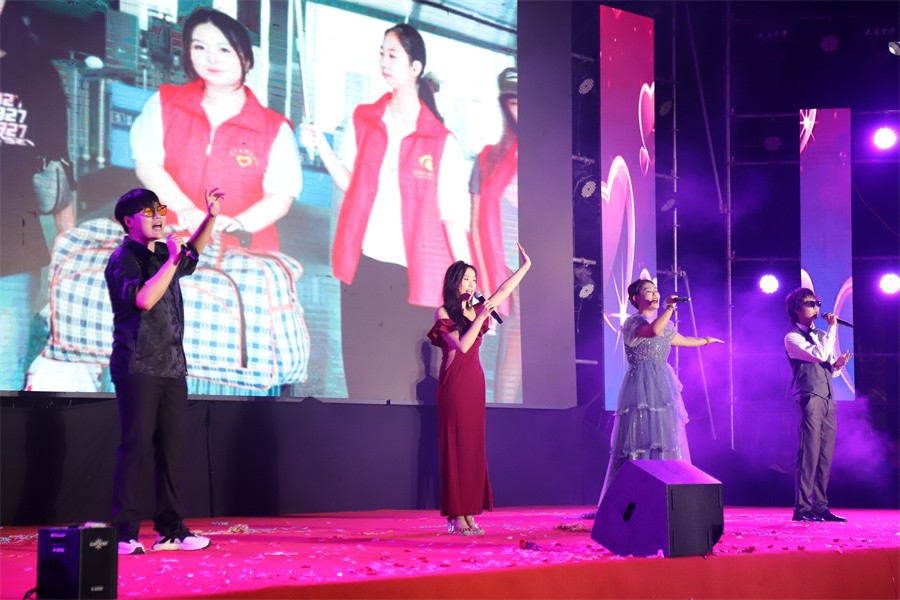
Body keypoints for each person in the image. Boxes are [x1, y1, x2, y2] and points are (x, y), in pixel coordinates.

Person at [302, 23, 471, 400]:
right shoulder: (364, 119)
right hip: (363, 266)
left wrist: (468, 286)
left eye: (392, 54)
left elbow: (453, 220)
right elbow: (351, 184)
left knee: (404, 379)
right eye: (381, 53)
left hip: (414, 278)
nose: (384, 61)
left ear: (415, 67)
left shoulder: (441, 142)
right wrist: (322, 149)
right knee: (361, 373)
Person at [105, 187, 220, 555]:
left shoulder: (162, 254)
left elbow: (193, 252)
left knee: (170, 452)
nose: (158, 217)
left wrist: (211, 216)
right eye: (148, 212)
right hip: (138, 365)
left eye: (160, 209)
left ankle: (171, 530)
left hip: (172, 367)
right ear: (128, 221)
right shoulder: (124, 257)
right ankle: (124, 534)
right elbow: (143, 299)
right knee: (136, 447)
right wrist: (171, 259)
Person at [131, 8, 301, 252]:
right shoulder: (164, 103)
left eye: (224, 49)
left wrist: (239, 224)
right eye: (200, 47)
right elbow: (147, 163)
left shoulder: (274, 129)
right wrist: (185, 208)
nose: (211, 59)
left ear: (246, 58)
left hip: (240, 251)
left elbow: (281, 196)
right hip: (166, 241)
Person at [427, 244, 531, 535]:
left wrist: (524, 267)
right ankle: (455, 514)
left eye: (474, 280)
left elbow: (503, 290)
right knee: (456, 446)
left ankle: (469, 510)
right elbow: (462, 345)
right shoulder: (444, 312)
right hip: (454, 384)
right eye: (466, 279)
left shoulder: (476, 310)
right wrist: (482, 316)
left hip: (474, 381)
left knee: (473, 447)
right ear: (454, 282)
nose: (472, 285)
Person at [0, 0, 75, 389]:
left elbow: (58, 166)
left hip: (12, 250)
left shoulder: (35, 71)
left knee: (3, 372)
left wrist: (69, 251)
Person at [599, 279, 723, 504]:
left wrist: (706, 340)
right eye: (649, 291)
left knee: (664, 438)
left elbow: (683, 340)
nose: (655, 294)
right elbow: (653, 331)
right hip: (640, 387)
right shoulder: (633, 322)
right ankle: (630, 500)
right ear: (636, 298)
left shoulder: (664, 323)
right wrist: (670, 307)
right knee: (640, 439)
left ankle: (663, 499)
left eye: (656, 290)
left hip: (662, 385)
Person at [469, 66, 520, 403]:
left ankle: (510, 412)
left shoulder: (542, 158)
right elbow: (474, 225)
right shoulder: (487, 158)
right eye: (514, 102)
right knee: (504, 346)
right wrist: (484, 283)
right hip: (502, 271)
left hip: (532, 268)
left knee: (520, 348)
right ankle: (504, 414)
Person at [783, 287, 851, 522]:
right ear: (796, 309)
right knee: (809, 452)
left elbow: (826, 367)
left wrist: (837, 366)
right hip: (809, 396)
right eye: (810, 304)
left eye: (817, 304)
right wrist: (833, 329)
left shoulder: (821, 334)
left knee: (824, 454)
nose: (816, 308)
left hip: (827, 397)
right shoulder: (792, 338)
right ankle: (802, 508)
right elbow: (819, 355)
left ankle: (820, 506)